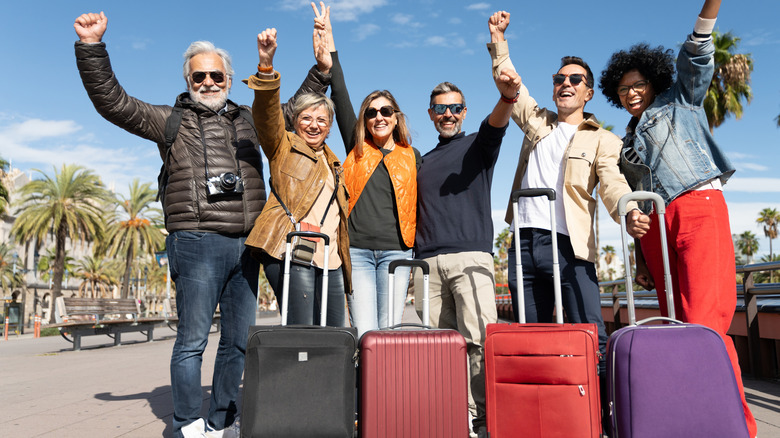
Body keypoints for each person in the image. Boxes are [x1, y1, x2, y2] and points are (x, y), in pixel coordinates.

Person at [73, 12, 332, 438]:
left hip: (247, 242)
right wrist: (91, 48)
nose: (208, 82)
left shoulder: (249, 119)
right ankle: (186, 424)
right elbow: (112, 102)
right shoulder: (168, 121)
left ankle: (221, 420)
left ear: (229, 79)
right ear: (189, 80)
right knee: (192, 341)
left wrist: (320, 70)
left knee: (236, 342)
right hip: (196, 241)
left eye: (216, 74)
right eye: (199, 77)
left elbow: (290, 110)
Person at [486, 11, 650, 433]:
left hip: (571, 246)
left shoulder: (603, 138)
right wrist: (498, 39)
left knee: (587, 334)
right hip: (523, 242)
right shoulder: (536, 121)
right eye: (560, 78)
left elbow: (612, 182)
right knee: (530, 336)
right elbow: (510, 83)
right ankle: (540, 417)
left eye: (575, 80)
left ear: (589, 93)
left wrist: (628, 209)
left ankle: (597, 417)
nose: (565, 84)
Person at [599, 0, 757, 435]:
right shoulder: (625, 140)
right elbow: (635, 198)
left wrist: (710, 9)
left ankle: (733, 425)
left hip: (695, 207)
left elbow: (696, 53)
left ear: (654, 82)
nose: (631, 93)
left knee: (707, 324)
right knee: (674, 327)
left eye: (638, 84)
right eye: (624, 88)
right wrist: (640, 255)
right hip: (656, 231)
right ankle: (690, 421)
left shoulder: (680, 100)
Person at [413, 55, 522, 434]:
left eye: (455, 108)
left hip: (470, 260)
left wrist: (507, 99)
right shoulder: (421, 161)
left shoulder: (478, 147)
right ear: (430, 114)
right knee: (437, 348)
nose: (448, 114)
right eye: (441, 109)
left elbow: (495, 128)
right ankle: (453, 417)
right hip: (425, 265)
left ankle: (486, 421)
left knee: (478, 342)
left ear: (463, 111)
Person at [312, 2, 421, 337]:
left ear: (396, 116)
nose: (379, 117)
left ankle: (386, 391)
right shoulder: (356, 148)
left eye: (386, 110)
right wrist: (330, 48)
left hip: (396, 251)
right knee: (364, 331)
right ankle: (363, 390)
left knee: (389, 330)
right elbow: (340, 91)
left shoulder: (412, 155)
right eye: (372, 112)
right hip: (357, 251)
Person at [245, 28, 350, 328]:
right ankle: (299, 376)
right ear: (294, 121)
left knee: (332, 333)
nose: (314, 125)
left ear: (329, 127)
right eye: (306, 118)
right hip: (290, 250)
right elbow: (266, 115)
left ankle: (327, 378)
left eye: (321, 120)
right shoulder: (282, 144)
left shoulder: (333, 162)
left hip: (330, 259)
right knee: (302, 333)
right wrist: (266, 66)